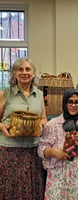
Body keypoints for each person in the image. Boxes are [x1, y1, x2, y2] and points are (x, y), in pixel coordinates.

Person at [0, 57, 47, 199]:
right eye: (20, 69)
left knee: (31, 191)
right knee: (10, 190)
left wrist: (41, 124)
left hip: (32, 151)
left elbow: (44, 118)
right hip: (9, 151)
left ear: (33, 73)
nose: (24, 72)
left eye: (28, 69)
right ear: (14, 74)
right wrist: (2, 126)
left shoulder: (39, 95)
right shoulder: (5, 94)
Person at [38, 88, 78, 200]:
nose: (73, 105)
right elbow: (41, 149)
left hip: (77, 177)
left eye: (77, 102)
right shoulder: (52, 125)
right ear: (64, 103)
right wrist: (54, 152)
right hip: (57, 176)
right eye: (70, 102)